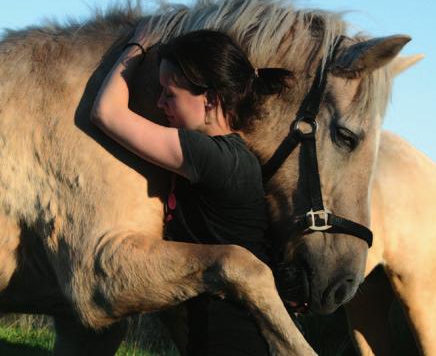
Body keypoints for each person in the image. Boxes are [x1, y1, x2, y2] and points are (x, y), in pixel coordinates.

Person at [90, 24, 293, 355]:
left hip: (228, 340)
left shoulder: (207, 155)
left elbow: (106, 113)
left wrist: (135, 48)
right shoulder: (239, 156)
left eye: (170, 94)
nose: (160, 103)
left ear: (210, 99)